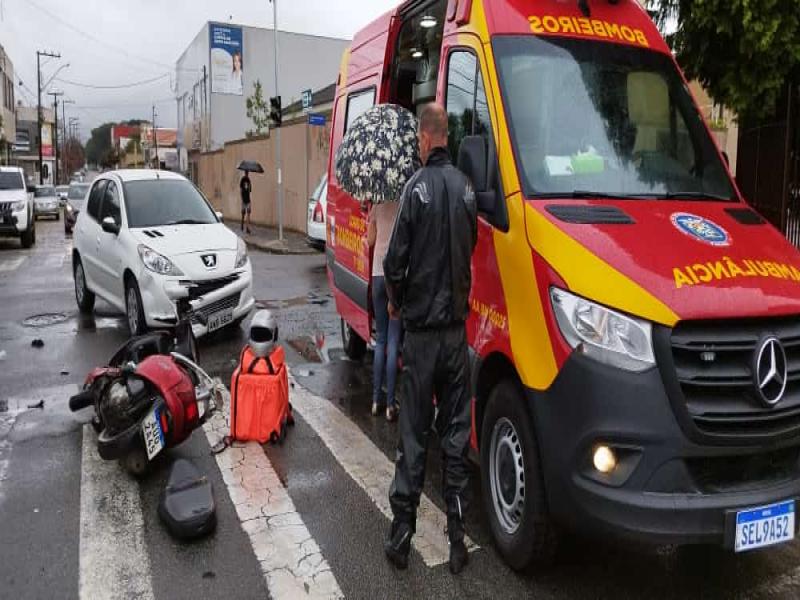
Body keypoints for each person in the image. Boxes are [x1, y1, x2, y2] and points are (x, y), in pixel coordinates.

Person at [382, 103, 478, 574]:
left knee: (414, 437)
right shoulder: (465, 189)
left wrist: (398, 300)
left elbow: (392, 263)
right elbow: (471, 248)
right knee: (456, 440)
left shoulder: (414, 189)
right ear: (445, 136)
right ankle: (458, 542)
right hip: (456, 338)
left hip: (421, 338)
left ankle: (401, 539)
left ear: (424, 138)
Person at [367, 201, 402, 422]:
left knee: (380, 340)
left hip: (378, 276)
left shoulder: (377, 207)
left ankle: (375, 400)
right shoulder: (402, 206)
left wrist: (369, 229)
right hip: (395, 277)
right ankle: (390, 406)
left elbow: (370, 241)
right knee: (393, 341)